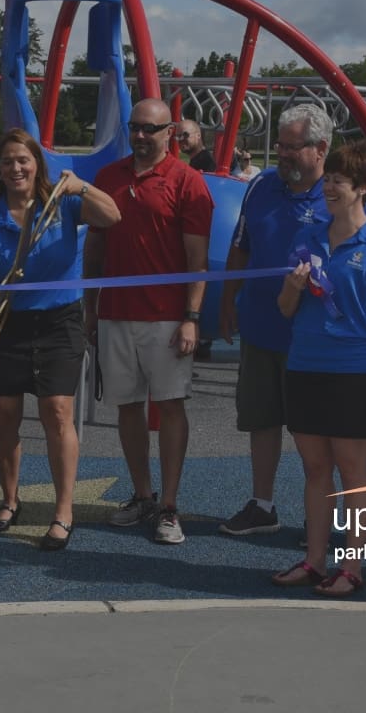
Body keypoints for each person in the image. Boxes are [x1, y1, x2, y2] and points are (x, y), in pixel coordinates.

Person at [0, 129, 120, 551]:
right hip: (9, 324)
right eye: (8, 162)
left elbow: (112, 216)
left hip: (60, 322)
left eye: (23, 160)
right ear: (0, 171)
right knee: (4, 415)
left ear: (37, 164)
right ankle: (9, 499)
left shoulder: (63, 204)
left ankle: (63, 511)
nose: (16, 168)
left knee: (57, 411)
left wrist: (82, 186)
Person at [270, 142, 366, 598]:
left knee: (352, 469)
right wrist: (293, 287)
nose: (328, 187)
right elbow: (285, 308)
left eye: (338, 181)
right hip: (306, 365)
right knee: (314, 468)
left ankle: (352, 566)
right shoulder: (307, 238)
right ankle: (314, 560)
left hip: (355, 371)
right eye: (327, 179)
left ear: (364, 188)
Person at [88, 97, 214, 545]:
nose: (140, 135)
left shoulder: (188, 182)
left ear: (169, 133)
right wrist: (89, 308)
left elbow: (198, 259)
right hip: (115, 313)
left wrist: (191, 317)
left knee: (170, 405)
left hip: (166, 317)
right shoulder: (108, 177)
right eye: (135, 127)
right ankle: (143, 495)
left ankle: (170, 505)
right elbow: (95, 249)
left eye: (150, 128)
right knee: (127, 407)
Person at [216, 103, 334, 538]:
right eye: (280, 145)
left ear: (321, 148)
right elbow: (241, 245)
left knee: (314, 430)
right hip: (260, 325)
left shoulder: (337, 195)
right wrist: (228, 300)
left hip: (314, 336)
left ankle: (318, 515)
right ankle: (262, 504)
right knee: (261, 418)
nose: (282, 154)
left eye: (292, 147)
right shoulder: (262, 185)